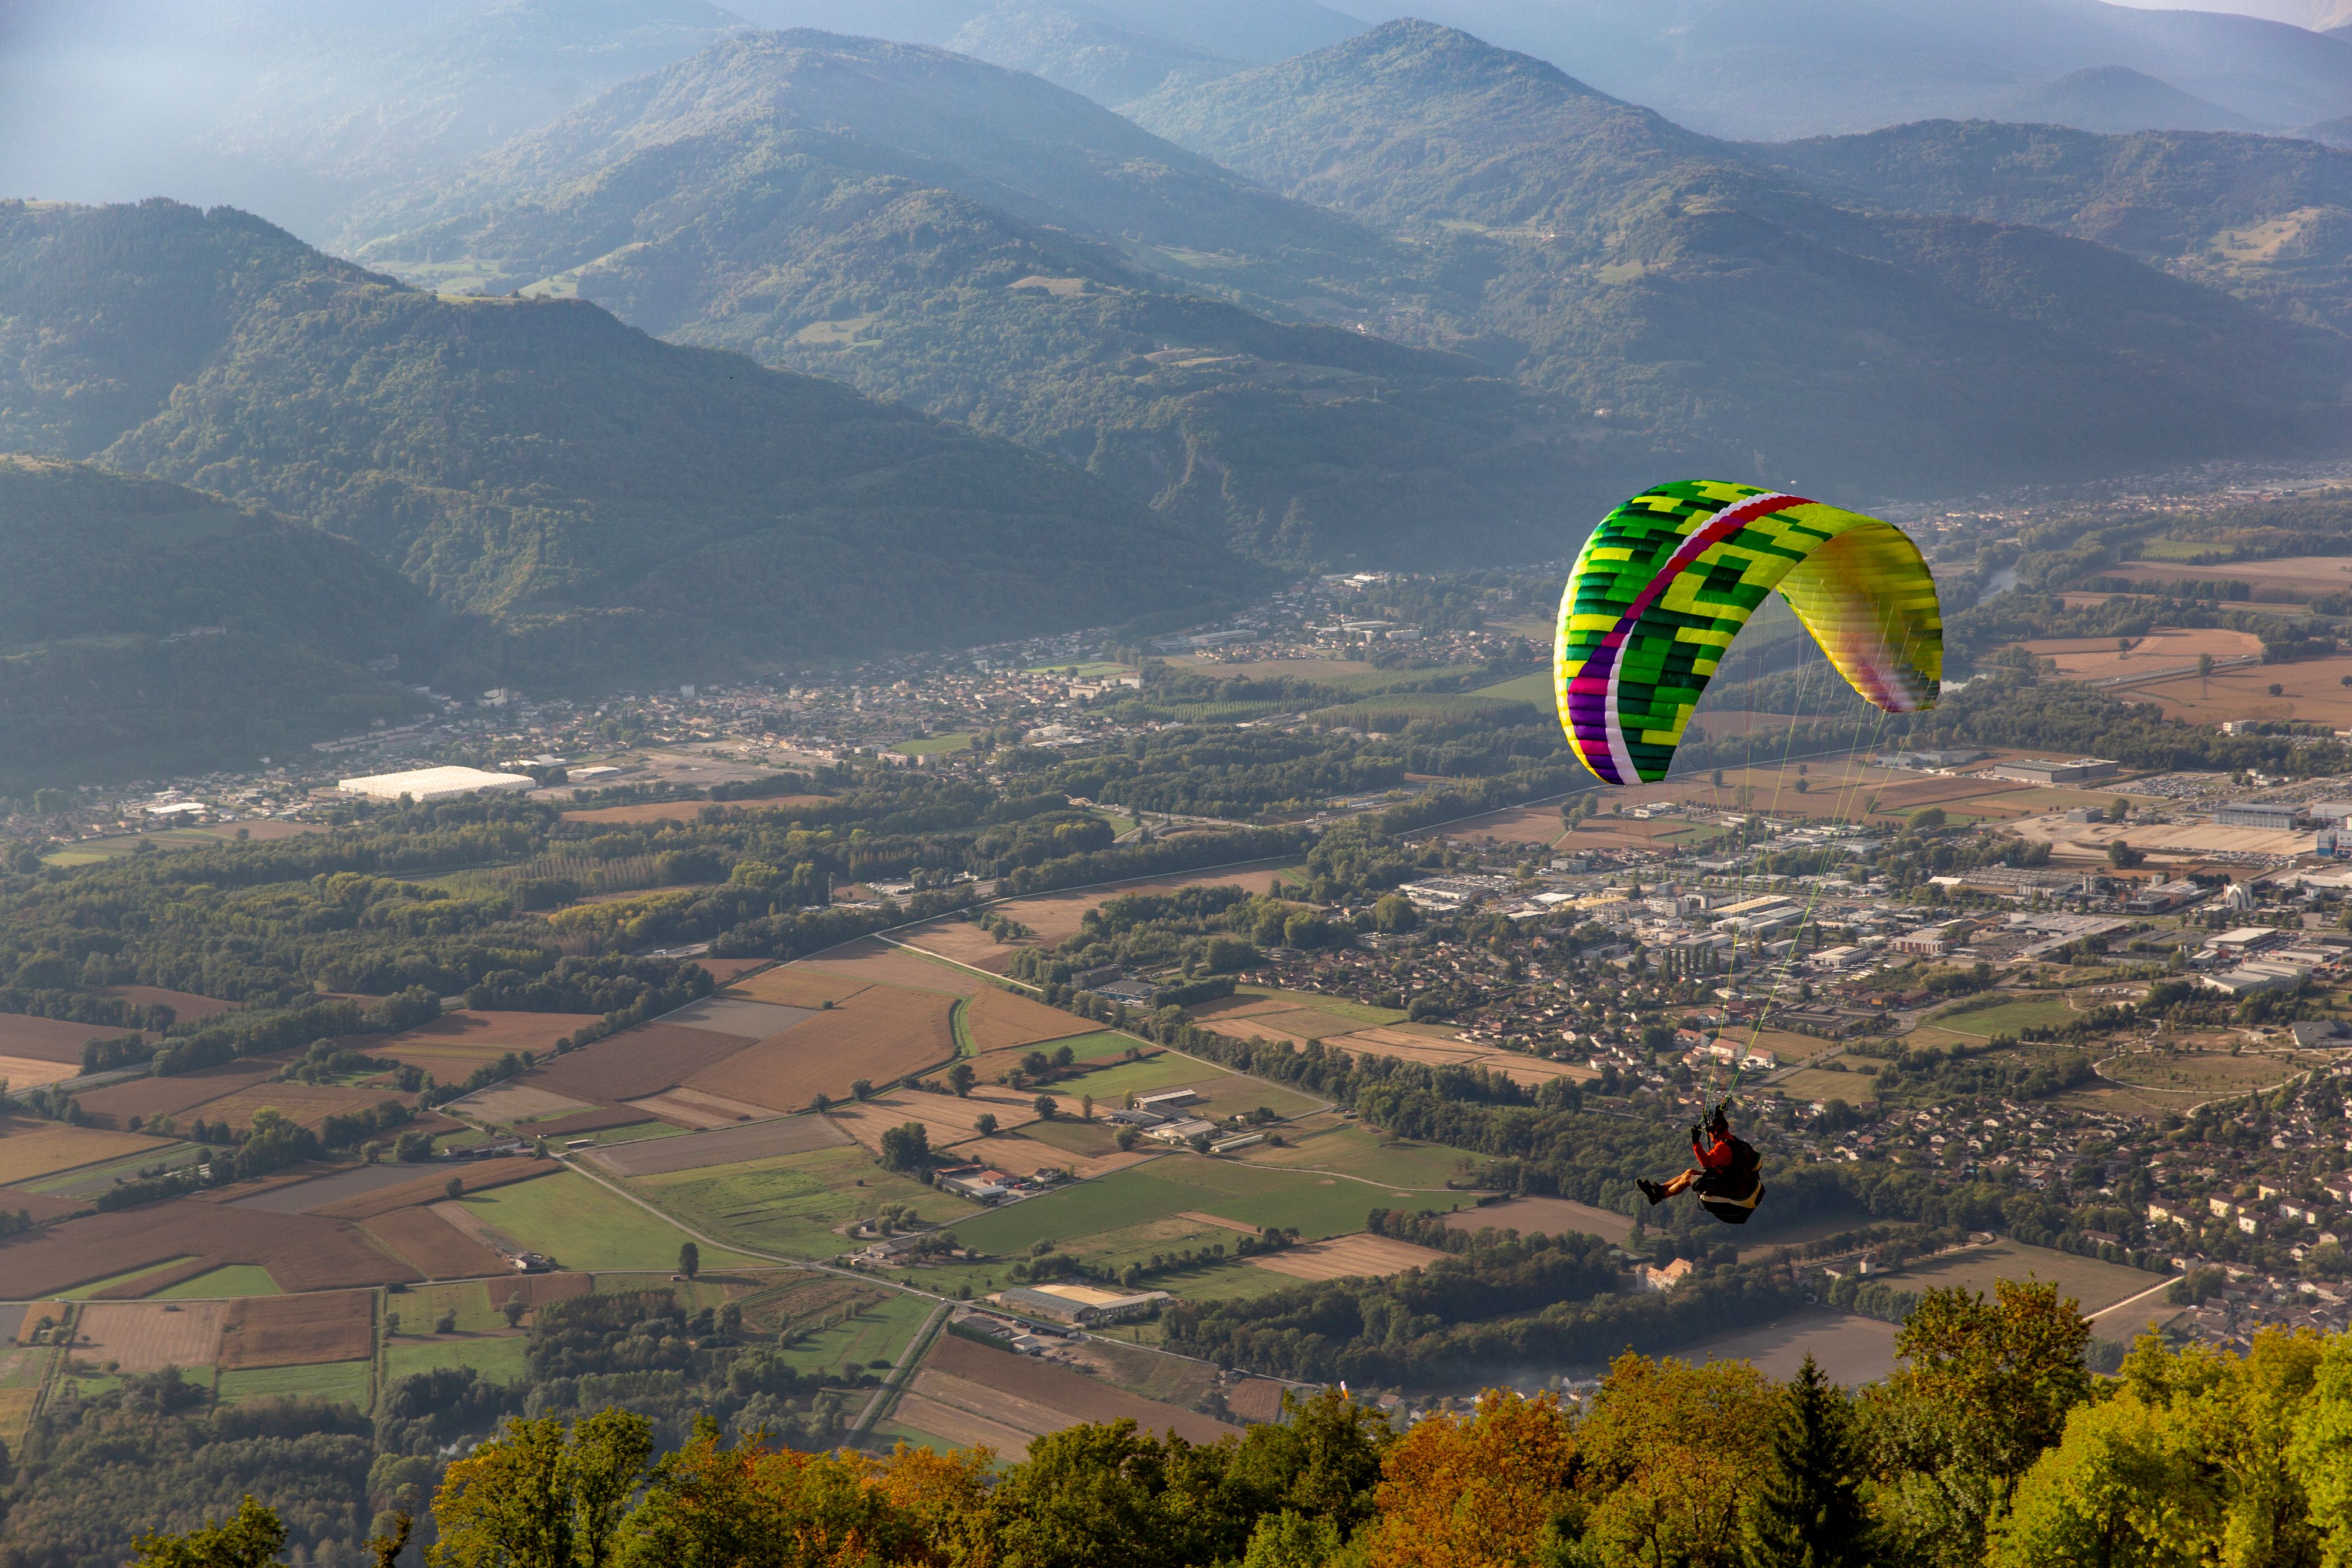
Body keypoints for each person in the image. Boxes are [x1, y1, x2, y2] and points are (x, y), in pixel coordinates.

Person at [1637, 1104, 1765, 1224]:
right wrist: (1718, 1114)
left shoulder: (1723, 1147)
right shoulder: (1735, 1141)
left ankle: (1658, 1197)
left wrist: (1696, 1142)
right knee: (1690, 1172)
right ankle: (1659, 1188)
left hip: (1738, 1198)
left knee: (1689, 1179)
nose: (1708, 1134)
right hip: (1738, 1184)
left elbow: (1706, 1162)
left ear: (1715, 1132)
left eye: (1709, 1131)